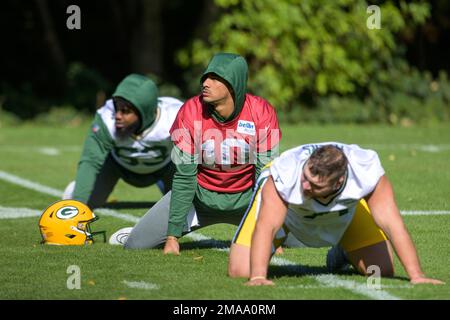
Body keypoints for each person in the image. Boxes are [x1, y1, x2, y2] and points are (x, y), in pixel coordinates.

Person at [121, 53, 282, 253]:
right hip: (199, 199)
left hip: (247, 200)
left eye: (214, 78)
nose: (205, 83)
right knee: (135, 245)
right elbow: (184, 176)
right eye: (205, 77)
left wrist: (271, 232)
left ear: (234, 84)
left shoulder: (262, 111)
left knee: (300, 239)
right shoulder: (189, 111)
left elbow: (265, 174)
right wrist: (172, 236)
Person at [228, 142, 444, 286]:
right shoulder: (286, 172)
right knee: (241, 270)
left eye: (314, 185)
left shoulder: (366, 171)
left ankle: (342, 251)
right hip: (288, 216)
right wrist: (258, 276)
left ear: (340, 181)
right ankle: (280, 241)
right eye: (305, 176)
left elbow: (393, 224)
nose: (304, 185)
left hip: (343, 214)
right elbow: (266, 226)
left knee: (380, 270)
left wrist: (417, 276)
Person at [63, 74, 183, 209]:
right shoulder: (106, 118)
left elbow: (192, 158)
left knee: (187, 205)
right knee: (86, 202)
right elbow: (90, 161)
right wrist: (78, 203)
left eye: (125, 111)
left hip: (165, 167)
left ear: (145, 111)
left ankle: (168, 189)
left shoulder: (174, 116)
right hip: (117, 165)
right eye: (116, 108)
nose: (118, 116)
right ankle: (73, 191)